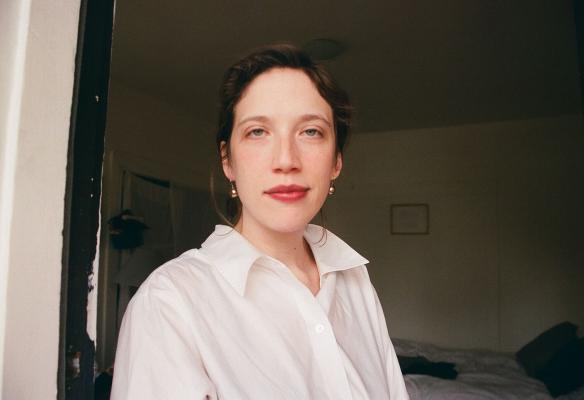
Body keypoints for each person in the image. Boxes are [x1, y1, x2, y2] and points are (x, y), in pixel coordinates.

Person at [111, 44, 408, 400]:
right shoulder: (169, 302)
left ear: (336, 162)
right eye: (257, 132)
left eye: (311, 131)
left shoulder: (354, 280)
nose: (286, 160)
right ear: (228, 161)